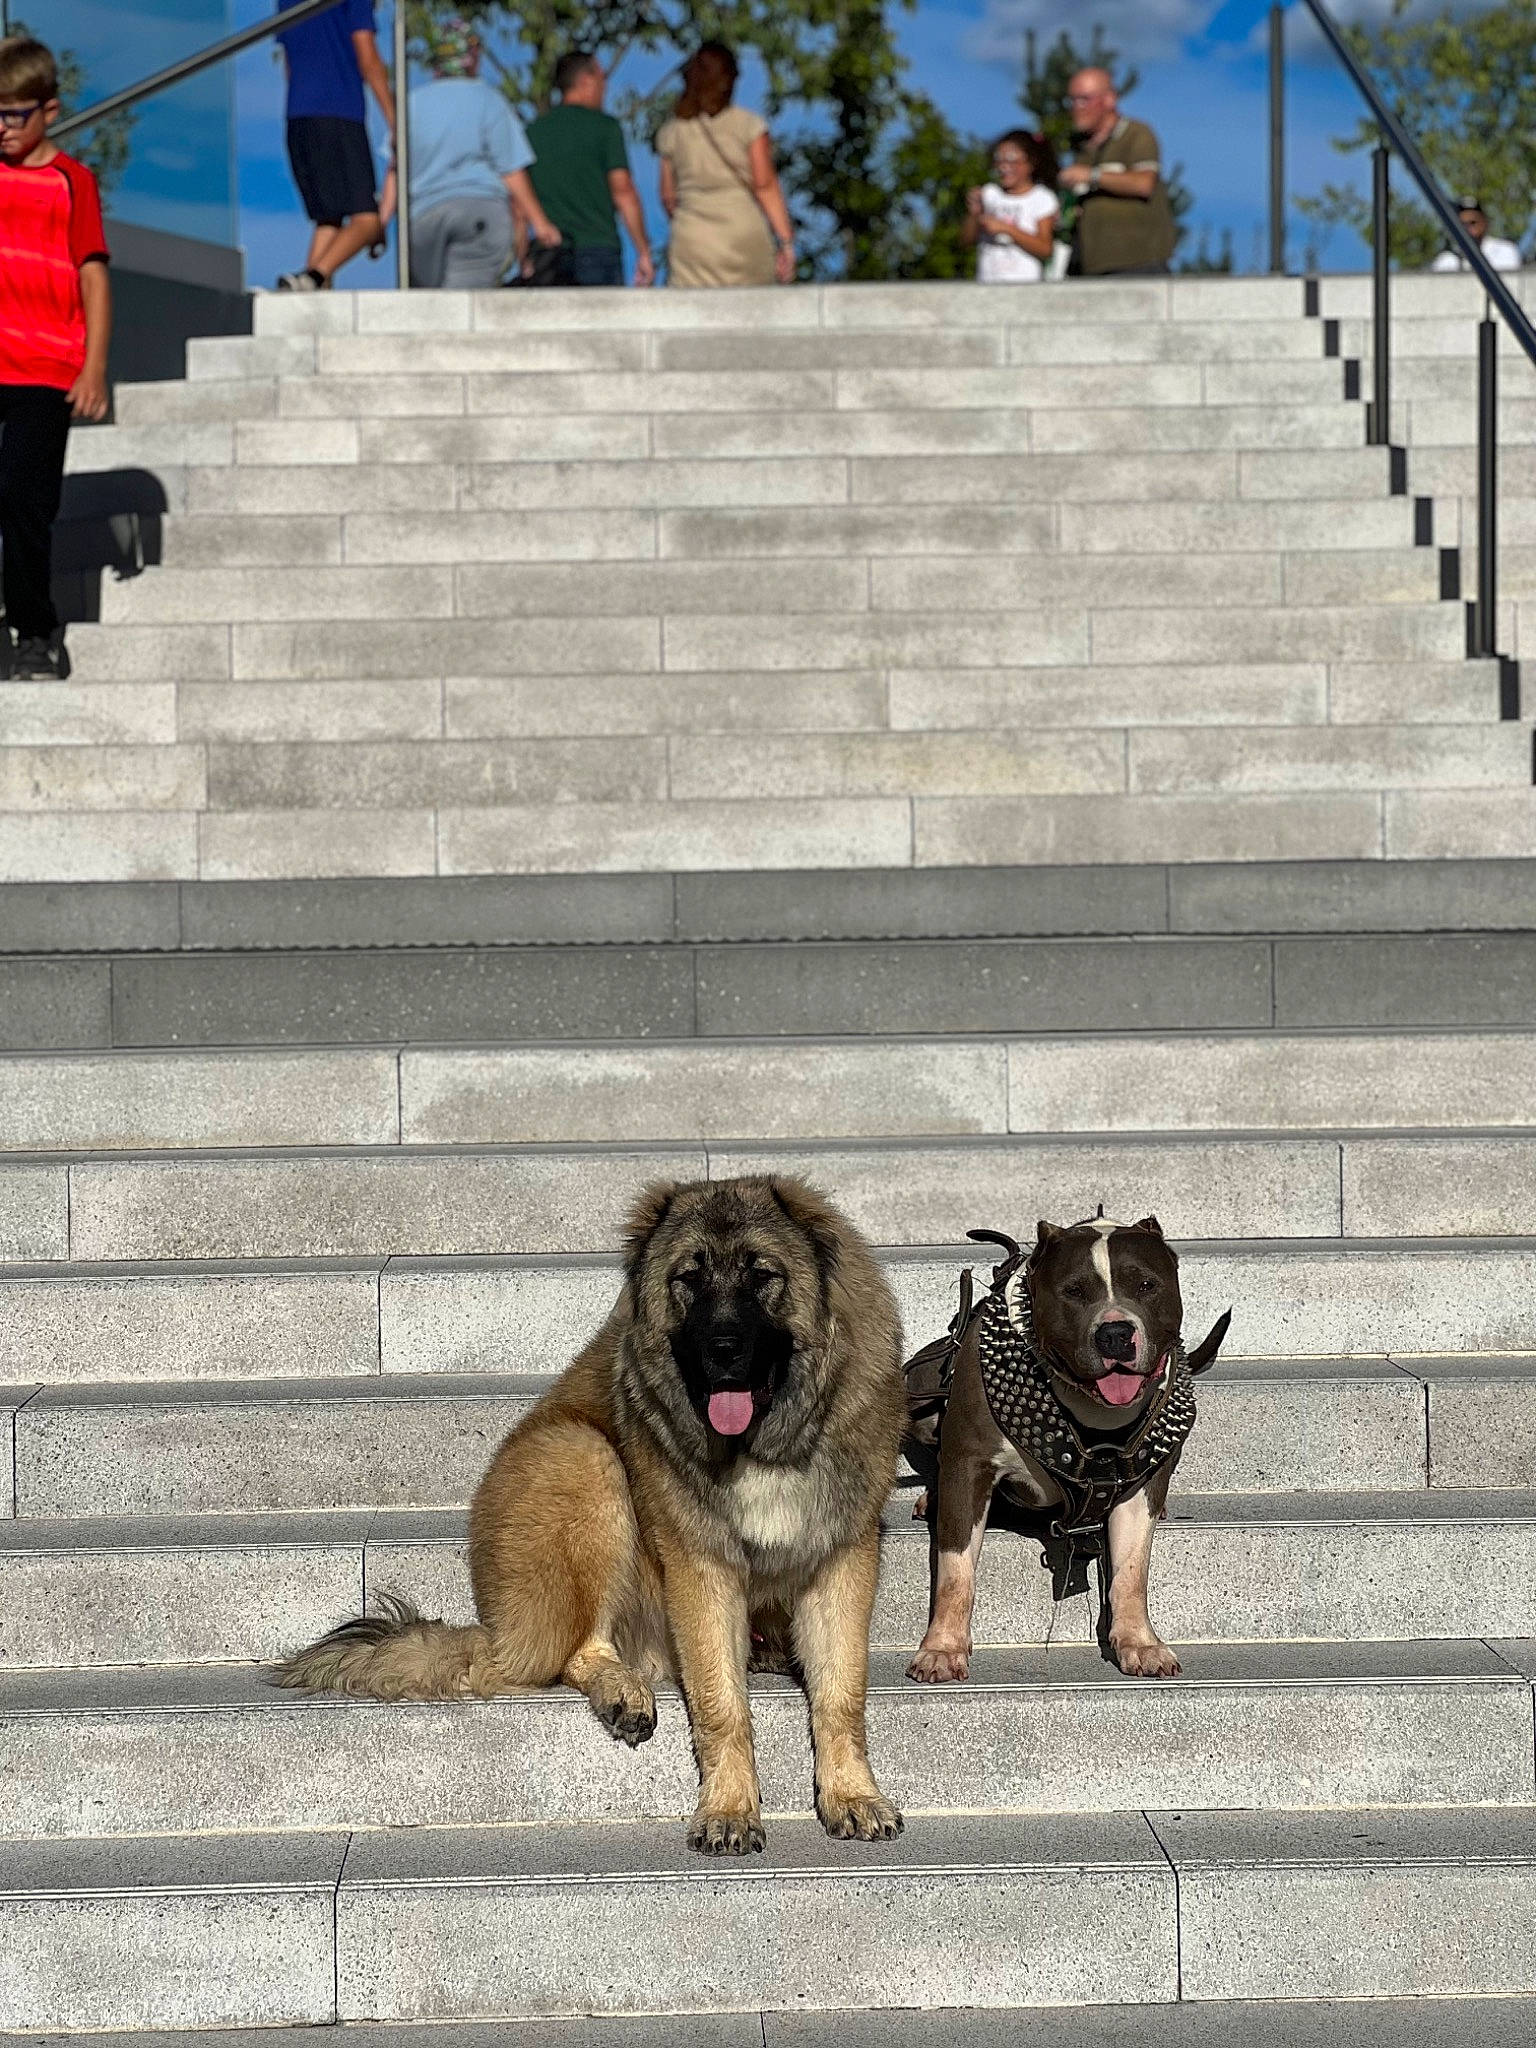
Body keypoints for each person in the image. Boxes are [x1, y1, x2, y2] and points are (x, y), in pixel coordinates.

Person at [0, 36, 110, 684]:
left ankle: (35, 632)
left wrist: (93, 368)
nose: (3, 127)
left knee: (23, 499)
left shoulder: (74, 182)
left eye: (15, 114)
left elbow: (93, 276)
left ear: (49, 110)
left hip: (46, 368)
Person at [408, 18, 561, 289]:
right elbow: (510, 169)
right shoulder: (489, 99)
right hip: (480, 212)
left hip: (423, 217)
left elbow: (396, 169)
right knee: (464, 300)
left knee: (429, 300)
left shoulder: (411, 103)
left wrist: (380, 222)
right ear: (473, 57)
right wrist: (540, 223)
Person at [274, 0, 394, 291]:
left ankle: (304, 293)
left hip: (298, 116)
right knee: (367, 220)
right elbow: (367, 54)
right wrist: (394, 120)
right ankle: (312, 278)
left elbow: (289, 61)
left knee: (329, 219)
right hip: (339, 114)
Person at [655, 43, 795, 287]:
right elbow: (765, 186)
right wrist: (786, 241)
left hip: (692, 241)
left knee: (690, 309)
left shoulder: (671, 133)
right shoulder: (749, 126)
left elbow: (668, 197)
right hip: (743, 235)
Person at [526, 52, 654, 287]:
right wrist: (643, 251)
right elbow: (623, 191)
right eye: (602, 79)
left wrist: (522, 255)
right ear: (586, 81)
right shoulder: (605, 128)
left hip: (547, 255)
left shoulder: (534, 132)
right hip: (598, 249)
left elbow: (518, 204)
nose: (605, 87)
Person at [1057, 67, 1174, 278]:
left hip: (1138, 264)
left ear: (1109, 99)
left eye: (1084, 99)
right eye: (1071, 100)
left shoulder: (1136, 134)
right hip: (1089, 267)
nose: (1076, 108)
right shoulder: (1080, 148)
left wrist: (1092, 176)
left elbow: (1144, 184)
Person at [962, 129, 1059, 284]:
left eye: (1012, 160)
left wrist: (1007, 229)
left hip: (1025, 286)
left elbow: (1045, 249)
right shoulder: (990, 194)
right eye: (999, 160)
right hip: (988, 284)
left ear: (1031, 163)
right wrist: (974, 214)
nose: (1004, 167)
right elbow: (965, 241)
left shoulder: (1042, 198)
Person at [1431, 197, 1522, 274]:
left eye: (1473, 223)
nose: (1468, 228)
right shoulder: (1447, 260)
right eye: (1463, 224)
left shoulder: (1505, 250)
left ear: (1484, 222)